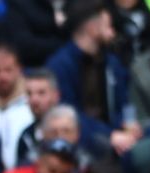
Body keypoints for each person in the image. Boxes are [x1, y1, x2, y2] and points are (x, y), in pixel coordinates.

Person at [46, 0, 131, 135]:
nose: (112, 33)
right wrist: (109, 135)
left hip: (116, 136)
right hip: (80, 137)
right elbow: (69, 114)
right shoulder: (60, 65)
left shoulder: (111, 62)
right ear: (92, 27)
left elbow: (123, 102)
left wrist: (128, 124)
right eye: (108, 26)